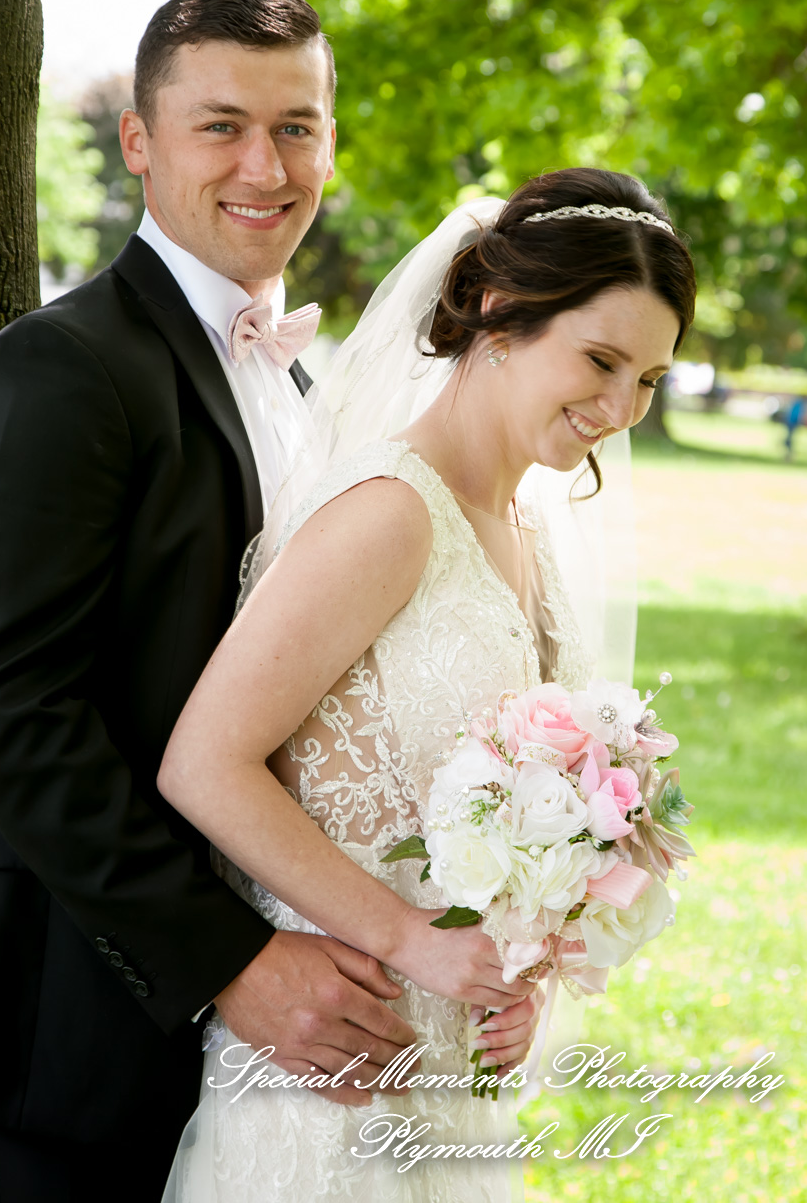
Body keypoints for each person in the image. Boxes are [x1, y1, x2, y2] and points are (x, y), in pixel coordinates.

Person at [0, 0, 418, 1203]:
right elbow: (4, 709)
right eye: (221, 125)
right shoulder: (63, 366)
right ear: (139, 142)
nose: (267, 165)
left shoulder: (309, 389)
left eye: (297, 125)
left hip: (289, 1047)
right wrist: (230, 960)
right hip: (95, 1017)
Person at [157, 168, 698, 1201]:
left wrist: (520, 969)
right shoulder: (388, 512)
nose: (621, 407)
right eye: (600, 359)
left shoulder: (527, 530)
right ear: (500, 312)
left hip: (453, 1092)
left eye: (650, 378)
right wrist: (409, 938)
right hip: (332, 1086)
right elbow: (205, 763)